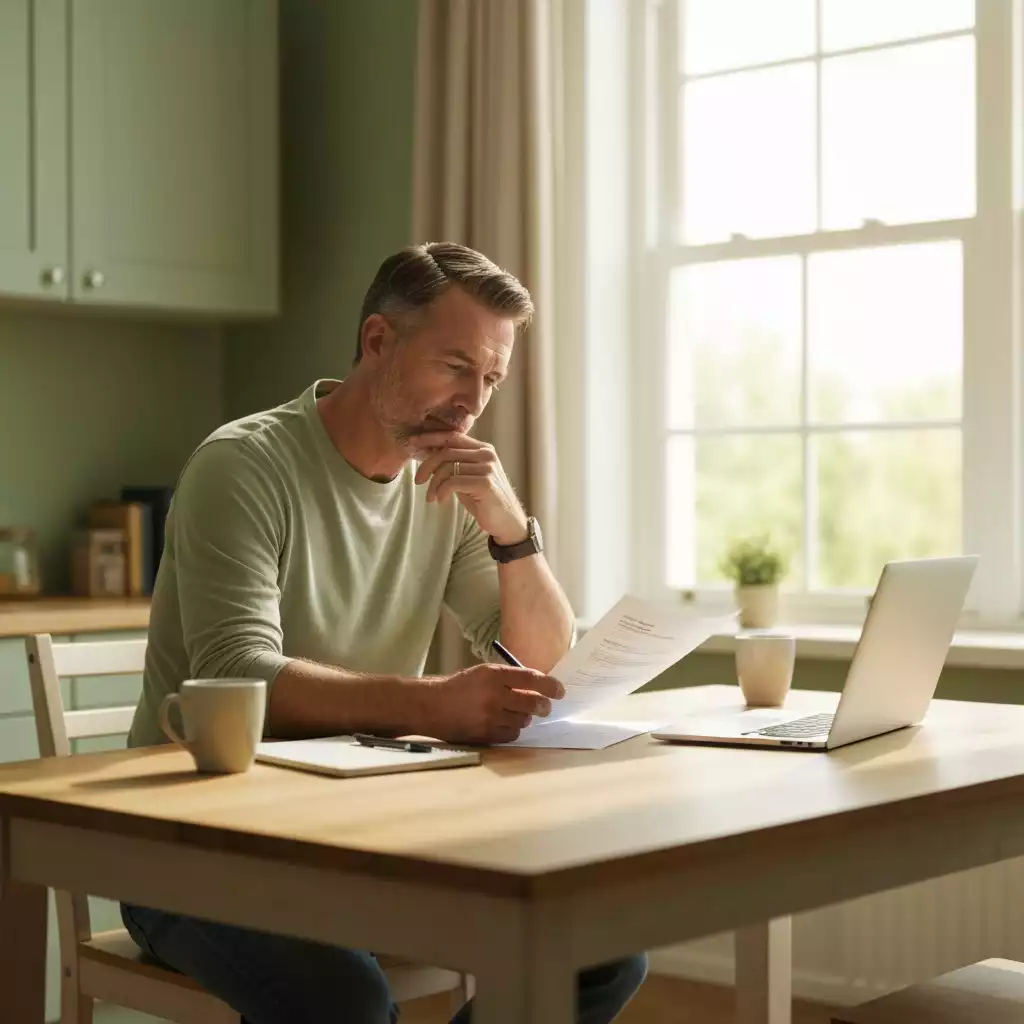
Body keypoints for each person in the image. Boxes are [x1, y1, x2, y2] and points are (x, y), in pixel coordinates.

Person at [120, 242, 648, 1024]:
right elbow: (239, 674)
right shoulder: (244, 465)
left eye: (491, 378)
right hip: (194, 854)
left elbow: (548, 664)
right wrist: (434, 705)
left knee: (599, 951)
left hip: (363, 841)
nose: (472, 400)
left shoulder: (448, 486)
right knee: (345, 998)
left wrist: (509, 527)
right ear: (378, 342)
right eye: (455, 365)